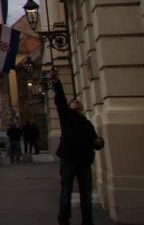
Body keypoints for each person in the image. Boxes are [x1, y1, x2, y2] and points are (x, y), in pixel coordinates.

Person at [52, 76, 104, 225]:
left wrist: (99, 142)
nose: (76, 102)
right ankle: (64, 220)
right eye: (73, 102)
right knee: (66, 192)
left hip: (83, 161)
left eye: (78, 102)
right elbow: (60, 100)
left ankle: (87, 221)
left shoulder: (87, 123)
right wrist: (57, 83)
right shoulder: (67, 116)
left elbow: (94, 141)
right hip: (69, 159)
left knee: (86, 194)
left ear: (81, 107)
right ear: (70, 107)